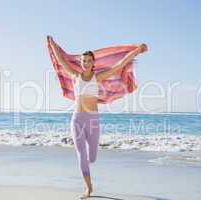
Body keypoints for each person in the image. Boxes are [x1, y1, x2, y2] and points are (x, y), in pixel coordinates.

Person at [48, 36, 146, 199]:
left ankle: (91, 160)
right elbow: (61, 60)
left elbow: (119, 65)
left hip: (93, 120)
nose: (85, 63)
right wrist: (52, 44)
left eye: (88, 61)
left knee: (92, 155)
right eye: (83, 60)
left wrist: (137, 51)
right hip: (77, 119)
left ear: (93, 62)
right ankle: (88, 188)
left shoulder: (97, 77)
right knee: (81, 154)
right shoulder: (75, 76)